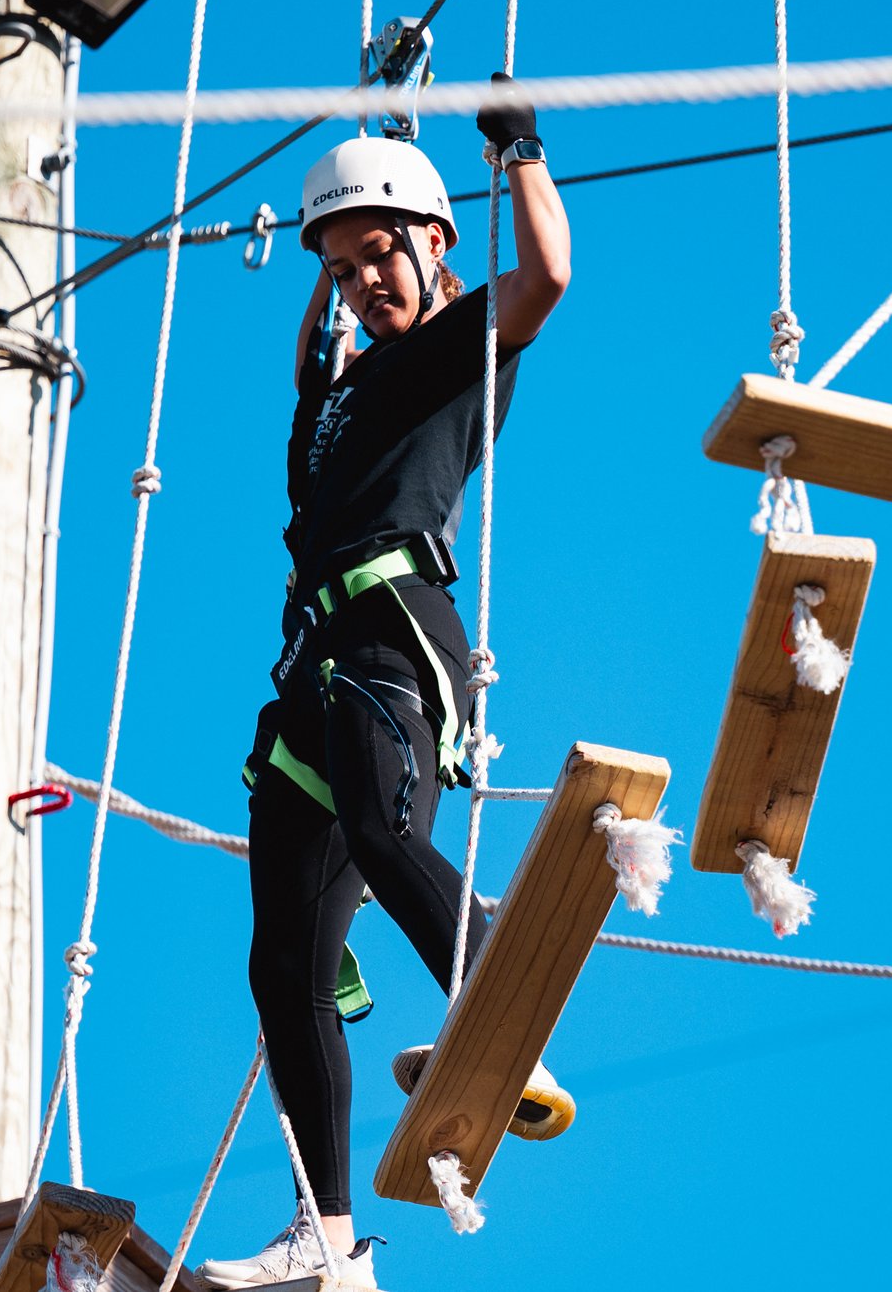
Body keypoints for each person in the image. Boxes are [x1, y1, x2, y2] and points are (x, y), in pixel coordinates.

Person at [199, 75, 571, 1291]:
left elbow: (547, 278)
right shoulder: (338, 388)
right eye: (347, 265)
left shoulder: (459, 348)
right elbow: (314, 358)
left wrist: (513, 143)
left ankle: (499, 1000)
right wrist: (332, 246)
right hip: (306, 670)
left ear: (432, 244)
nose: (365, 279)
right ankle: (326, 1230)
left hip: (384, 637)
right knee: (280, 964)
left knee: (381, 821)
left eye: (381, 256)